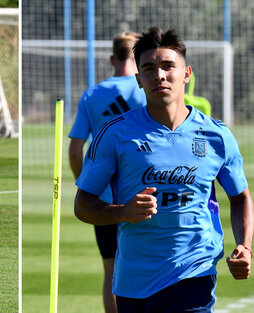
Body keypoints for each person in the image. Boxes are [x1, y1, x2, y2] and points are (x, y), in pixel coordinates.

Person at [74, 26, 253, 313]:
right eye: (149, 68)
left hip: (195, 273)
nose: (159, 75)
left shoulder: (217, 135)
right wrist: (123, 212)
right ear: (139, 79)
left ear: (186, 74)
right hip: (135, 280)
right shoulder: (115, 134)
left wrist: (245, 245)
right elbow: (83, 205)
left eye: (168, 66)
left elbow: (241, 197)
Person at [68, 31, 146, 313]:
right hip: (145, 192)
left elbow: (75, 150)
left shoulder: (92, 95)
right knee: (153, 269)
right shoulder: (147, 89)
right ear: (138, 60)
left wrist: (87, 187)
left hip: (104, 200)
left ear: (112, 58)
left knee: (111, 272)